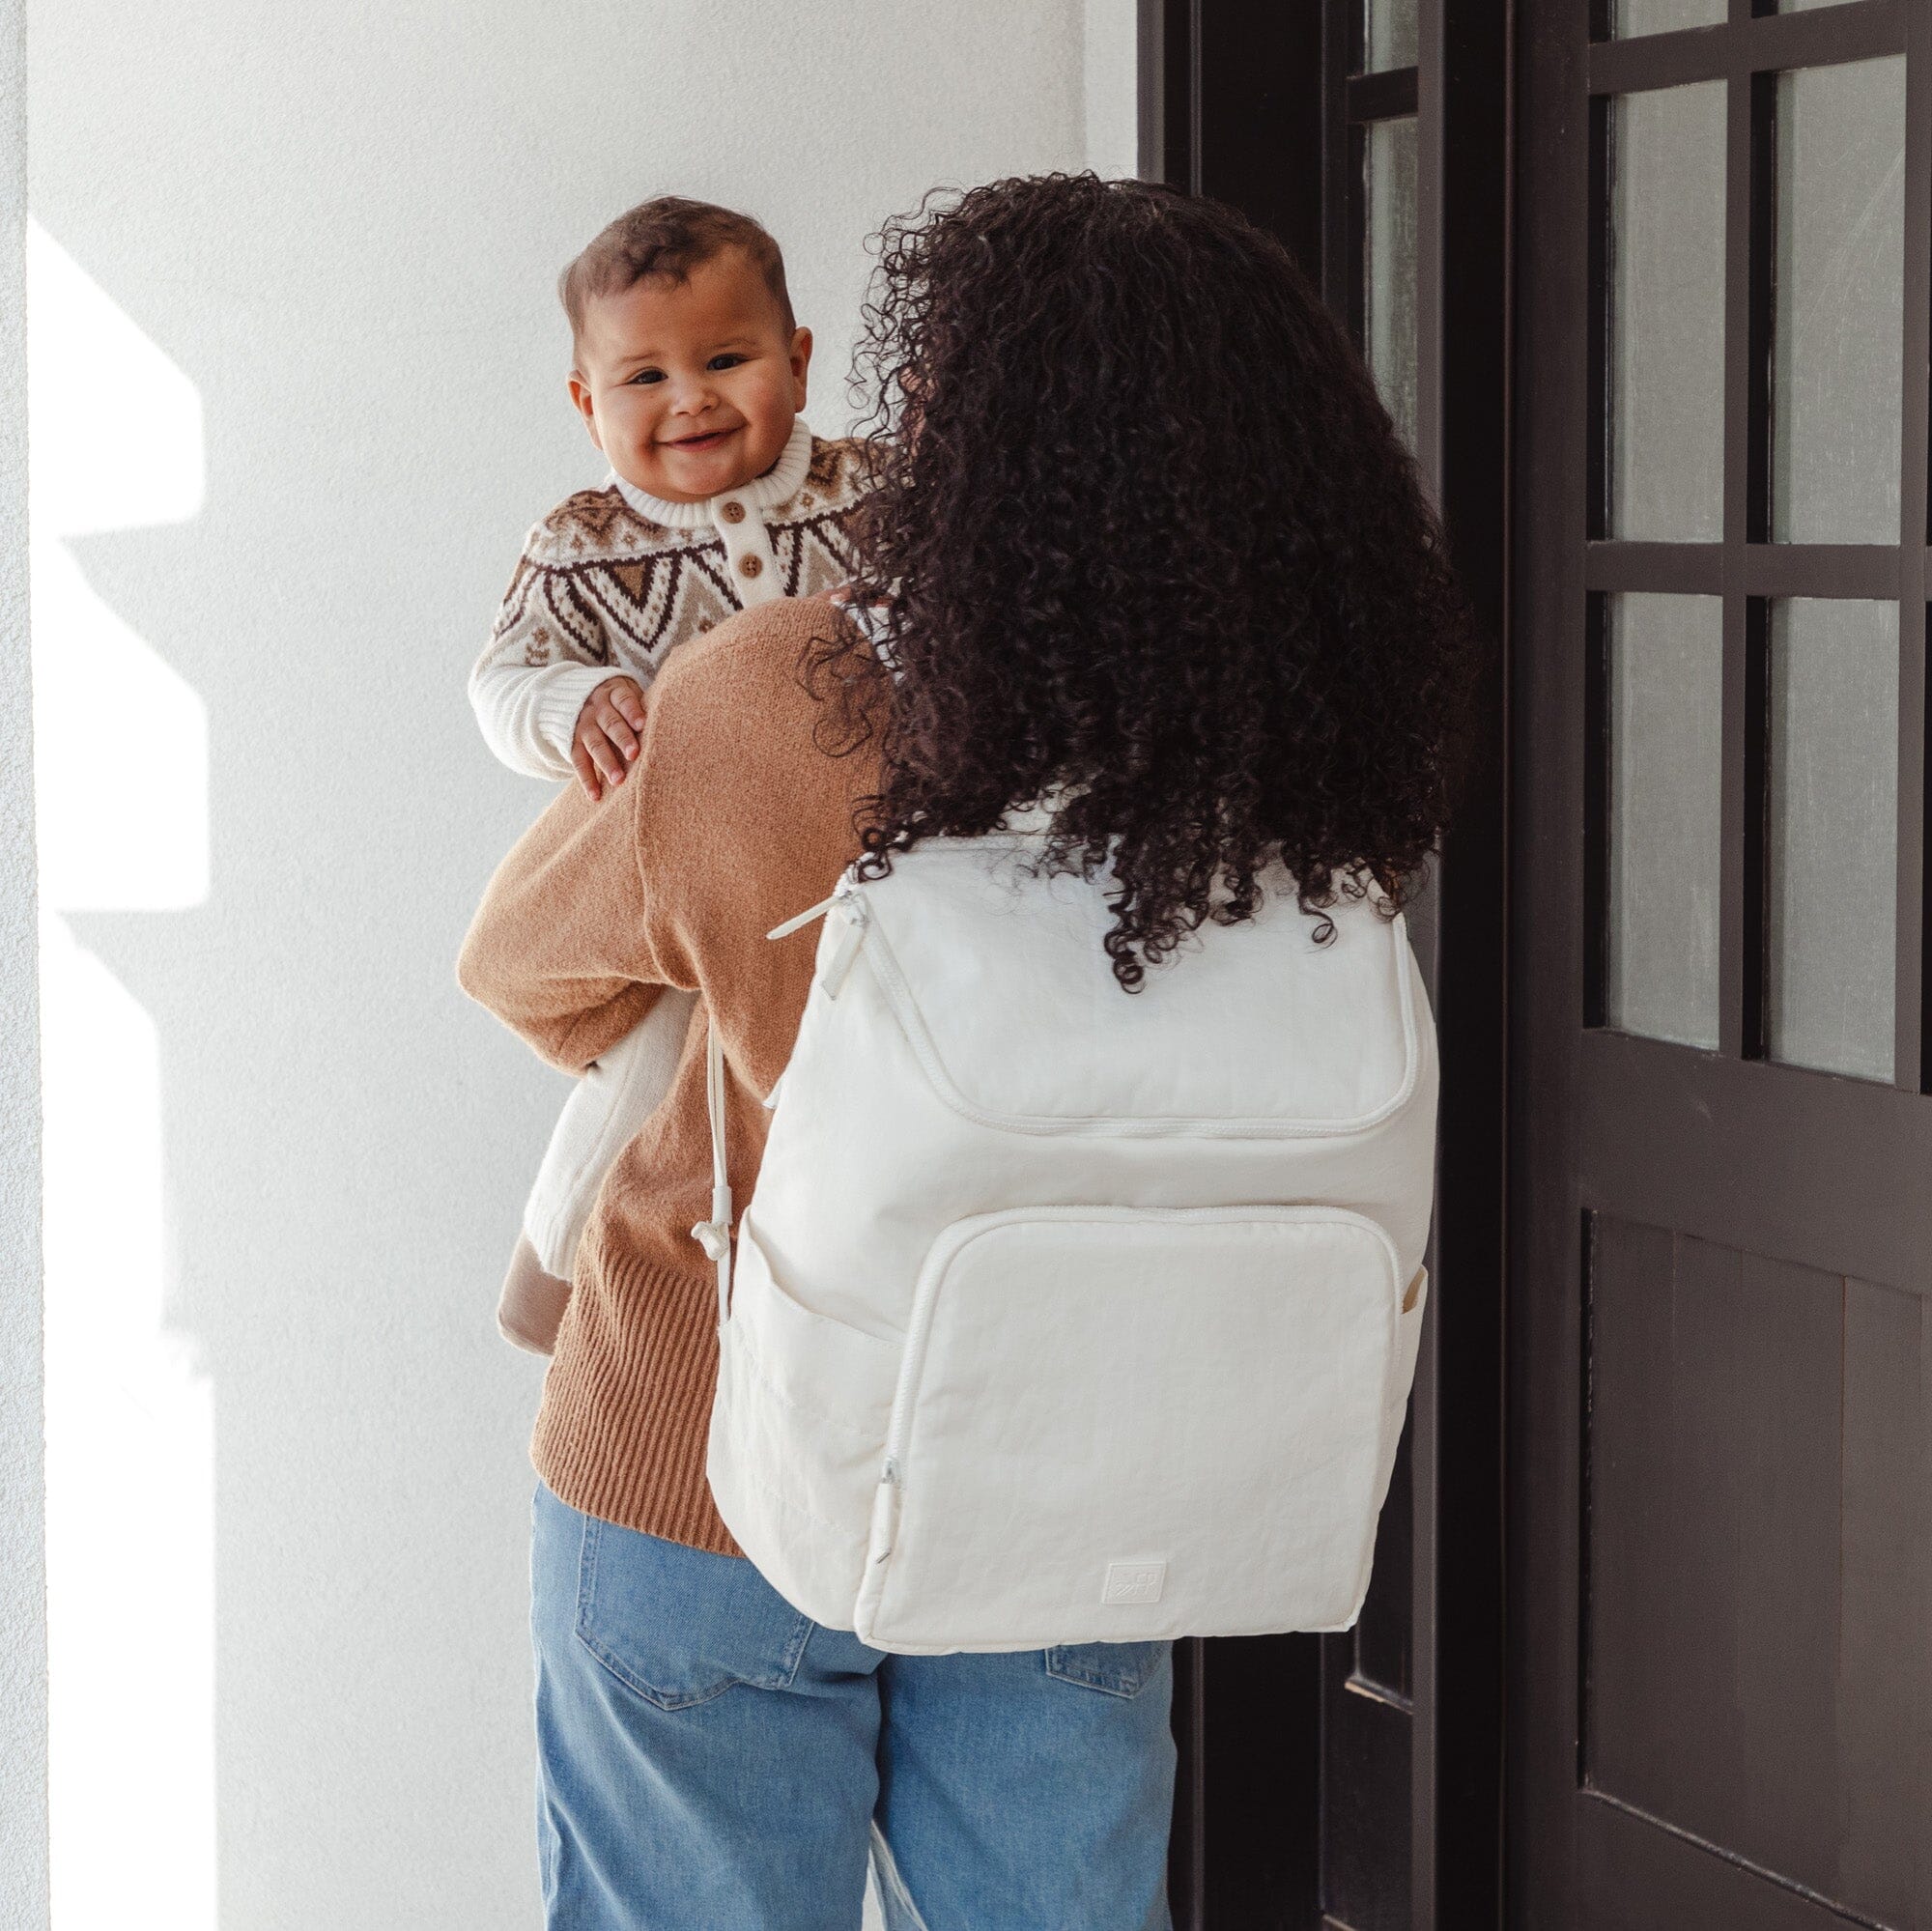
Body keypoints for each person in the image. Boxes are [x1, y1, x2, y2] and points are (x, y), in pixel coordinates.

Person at [457, 172, 1479, 1931]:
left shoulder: (775, 689)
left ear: (966, 443)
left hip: (707, 1441)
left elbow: (529, 975)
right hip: (1072, 1452)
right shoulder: (1280, 744)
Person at [469, 195, 870, 1355]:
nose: (689, 398)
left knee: (806, 1057)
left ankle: (803, 1271)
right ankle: (554, 1271)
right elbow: (501, 683)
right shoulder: (580, 544)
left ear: (796, 362)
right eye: (644, 378)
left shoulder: (866, 493)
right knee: (658, 1042)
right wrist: (572, 703)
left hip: (834, 841)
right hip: (679, 856)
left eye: (725, 360)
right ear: (586, 403)